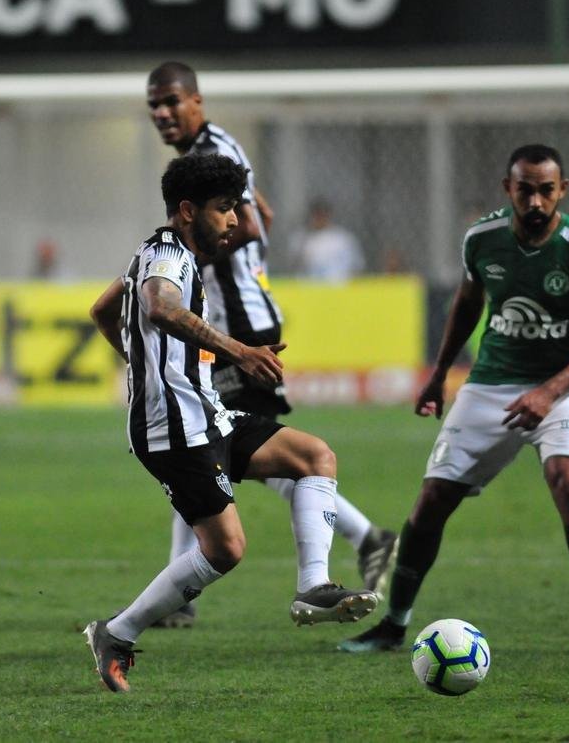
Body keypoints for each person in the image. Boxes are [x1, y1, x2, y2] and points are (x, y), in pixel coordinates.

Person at [84, 153, 379, 692]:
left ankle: (313, 587)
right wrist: (239, 350)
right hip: (171, 430)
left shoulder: (157, 251)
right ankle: (116, 634)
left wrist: (142, 364)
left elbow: (104, 309)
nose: (235, 222)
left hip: (207, 413)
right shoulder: (169, 257)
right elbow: (159, 307)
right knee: (225, 550)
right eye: (224, 210)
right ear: (189, 210)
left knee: (314, 457)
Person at [339, 144, 569, 657]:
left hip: (561, 386)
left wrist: (549, 391)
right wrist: (439, 375)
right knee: (431, 501)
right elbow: (468, 303)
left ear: (562, 190)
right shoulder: (482, 239)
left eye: (545, 190)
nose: (535, 201)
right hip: (491, 382)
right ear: (507, 189)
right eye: (525, 189)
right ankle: (393, 625)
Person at [145, 61, 396, 628]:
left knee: (206, 444)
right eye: (154, 106)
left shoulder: (211, 149)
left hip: (238, 326)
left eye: (171, 102)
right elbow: (264, 211)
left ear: (197, 101)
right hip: (237, 320)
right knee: (221, 446)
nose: (162, 114)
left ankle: (361, 540)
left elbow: (253, 226)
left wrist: (184, 261)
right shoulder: (212, 151)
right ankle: (365, 536)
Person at [286, 198, 366, 282]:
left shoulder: (343, 239)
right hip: (309, 288)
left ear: (329, 215)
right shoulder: (301, 238)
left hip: (338, 287)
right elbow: (293, 267)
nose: (320, 218)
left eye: (323, 214)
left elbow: (356, 267)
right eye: (317, 215)